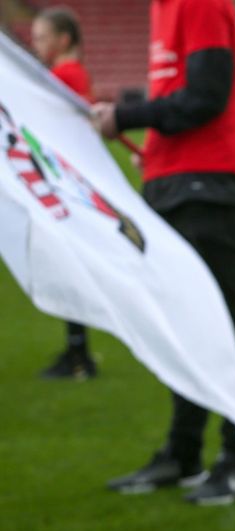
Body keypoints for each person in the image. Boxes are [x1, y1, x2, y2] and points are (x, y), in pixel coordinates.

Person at [91, 0, 235, 506]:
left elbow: (207, 97)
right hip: (172, 184)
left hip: (207, 183)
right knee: (183, 324)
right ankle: (184, 453)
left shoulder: (201, 2)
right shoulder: (165, 6)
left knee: (222, 322)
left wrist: (126, 115)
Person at [31, 6, 99, 380]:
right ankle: (78, 353)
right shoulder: (73, 73)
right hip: (71, 184)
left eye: (42, 38)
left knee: (66, 268)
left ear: (64, 40)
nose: (36, 45)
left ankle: (78, 356)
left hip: (63, 186)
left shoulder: (64, 75)